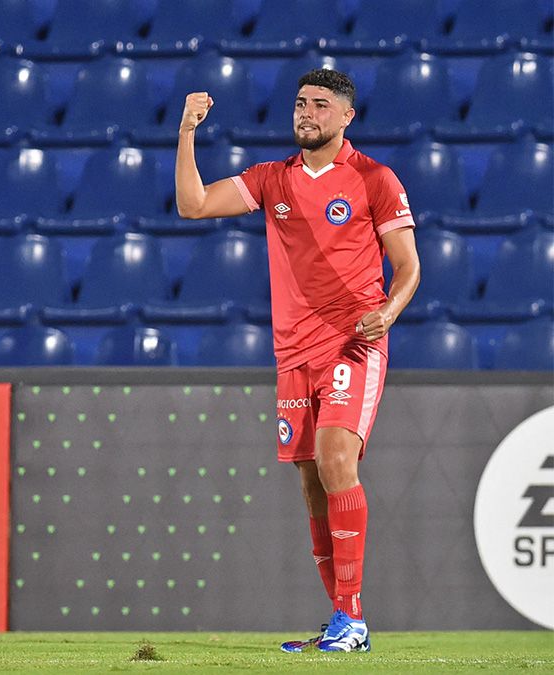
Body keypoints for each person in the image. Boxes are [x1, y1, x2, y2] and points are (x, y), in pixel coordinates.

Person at [174, 68, 420, 653]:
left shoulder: (373, 179)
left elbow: (409, 267)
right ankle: (340, 618)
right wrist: (185, 132)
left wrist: (388, 311)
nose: (305, 113)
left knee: (338, 463)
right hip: (293, 354)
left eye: (319, 105)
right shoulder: (271, 179)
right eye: (300, 103)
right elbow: (193, 205)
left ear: (345, 117)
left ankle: (353, 619)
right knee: (313, 486)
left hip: (352, 344)